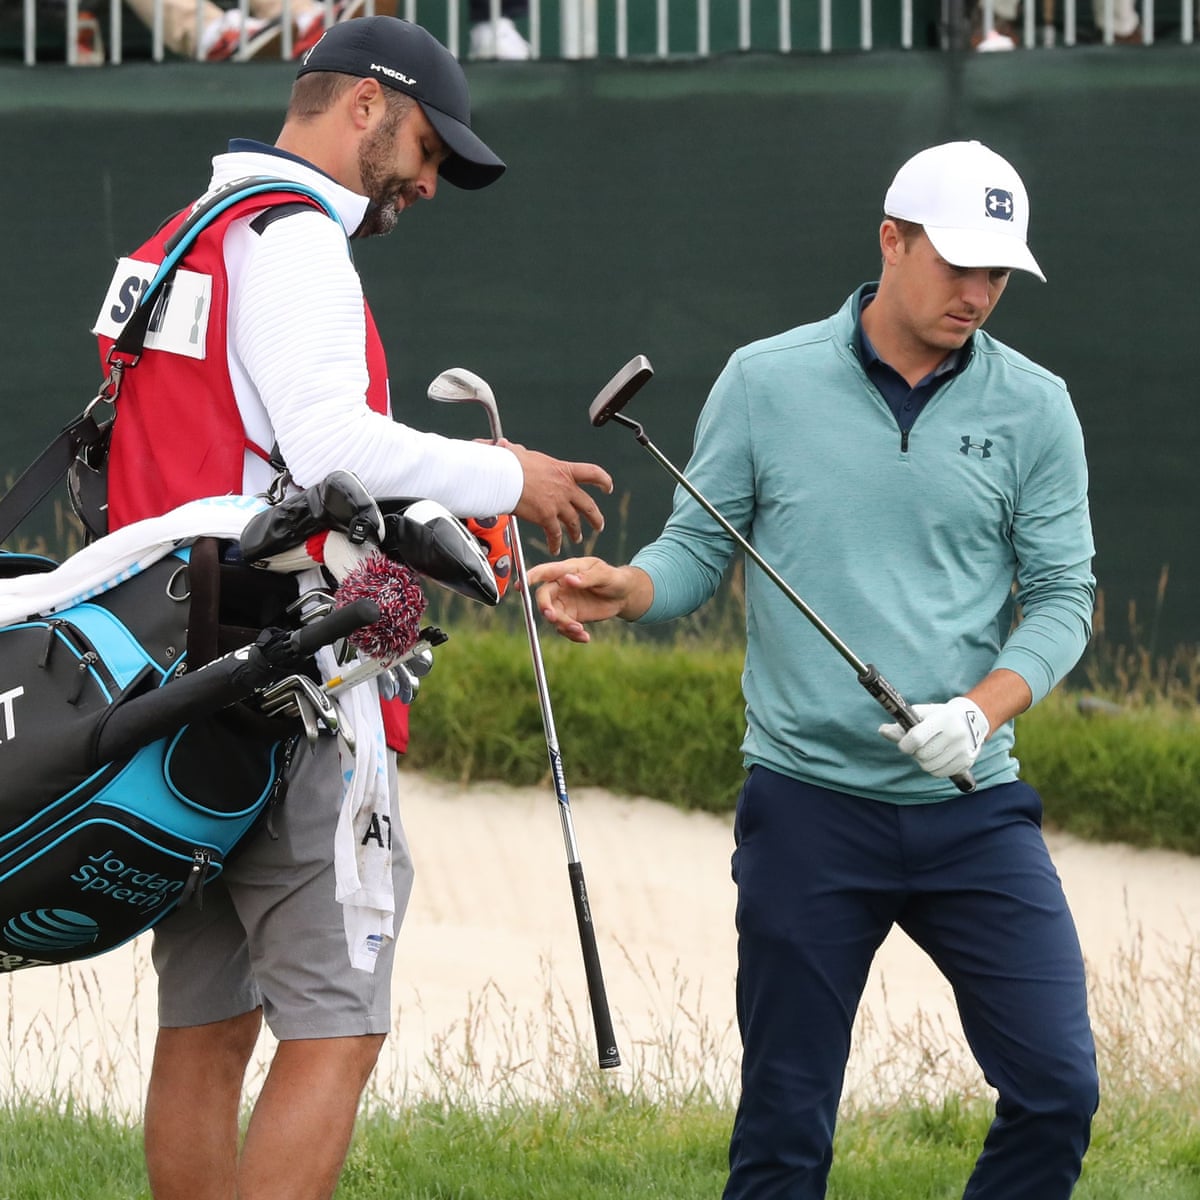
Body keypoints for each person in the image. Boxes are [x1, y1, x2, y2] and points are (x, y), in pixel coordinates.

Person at [89, 16, 612, 1200]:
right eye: (428, 147)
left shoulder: (183, 239)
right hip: (286, 686)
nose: (427, 182)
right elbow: (330, 443)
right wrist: (503, 477)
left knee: (210, 1023)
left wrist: (456, 550)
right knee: (336, 1024)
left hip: (170, 673)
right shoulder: (298, 239)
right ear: (365, 107)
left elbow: (254, 469)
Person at [529, 140, 1099, 1199]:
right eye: (958, 265)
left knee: (1059, 1088)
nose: (979, 294)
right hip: (807, 809)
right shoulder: (767, 380)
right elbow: (699, 553)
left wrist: (979, 713)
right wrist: (630, 587)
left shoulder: (1036, 407)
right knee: (787, 1125)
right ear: (891, 239)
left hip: (974, 806)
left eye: (999, 274)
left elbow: (1065, 599)